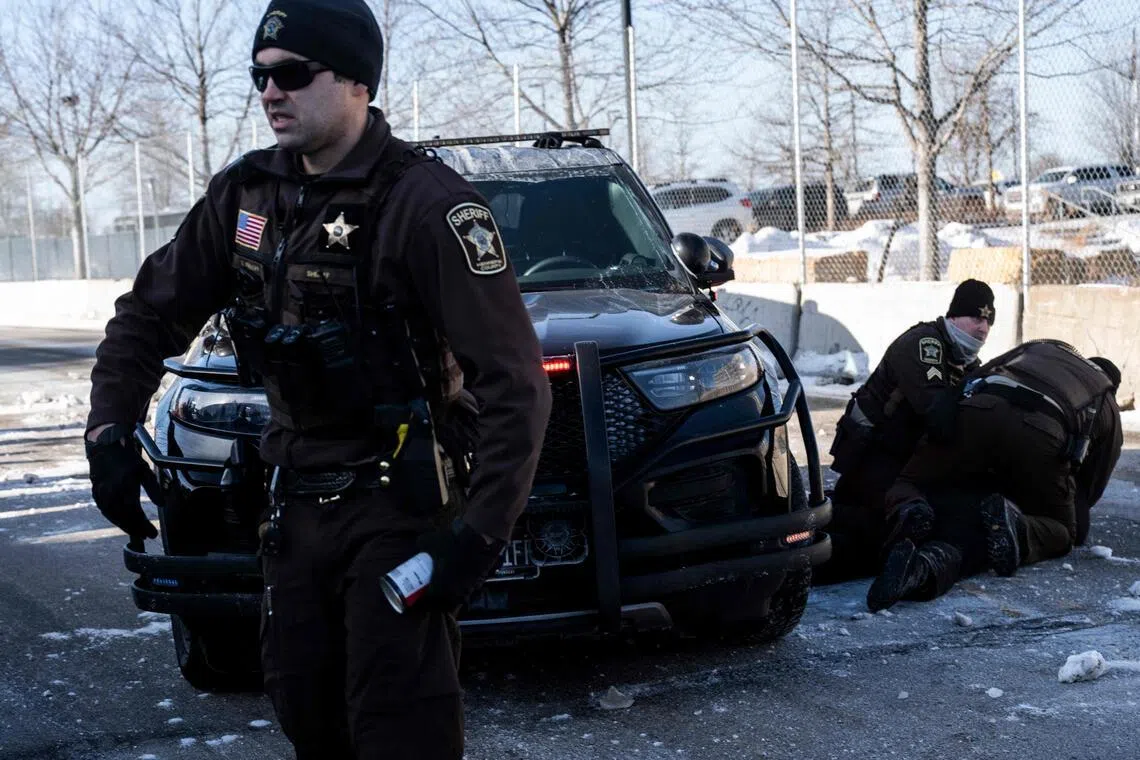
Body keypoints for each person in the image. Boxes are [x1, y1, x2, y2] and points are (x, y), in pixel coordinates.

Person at [83, 1, 552, 757]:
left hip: (397, 505)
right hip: (295, 505)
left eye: (294, 75)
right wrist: (108, 430)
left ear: (357, 81)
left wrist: (477, 535)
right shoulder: (246, 195)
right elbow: (147, 315)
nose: (271, 93)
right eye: (260, 77)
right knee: (306, 710)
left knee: (398, 724)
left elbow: (517, 386)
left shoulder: (428, 206)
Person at [867, 341, 1123, 611]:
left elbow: (980, 373)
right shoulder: (1104, 393)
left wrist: (946, 420)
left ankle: (912, 508)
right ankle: (1019, 528)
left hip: (978, 411)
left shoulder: (1044, 347)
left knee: (911, 481)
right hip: (1041, 436)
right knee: (1063, 532)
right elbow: (1092, 485)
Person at [817, 278, 996, 583]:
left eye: (989, 321)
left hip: (903, 464)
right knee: (881, 535)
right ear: (954, 316)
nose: (983, 327)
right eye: (976, 317)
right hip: (873, 458)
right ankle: (808, 543)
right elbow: (938, 414)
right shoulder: (924, 345)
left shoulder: (964, 362)